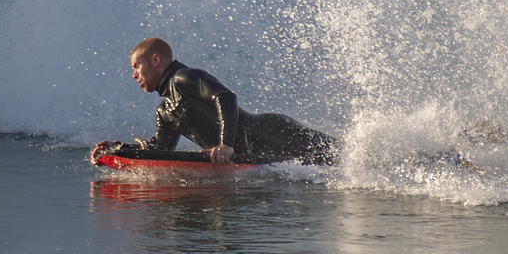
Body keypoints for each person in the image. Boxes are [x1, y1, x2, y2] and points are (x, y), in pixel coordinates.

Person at [92, 37, 337, 165]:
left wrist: (226, 145)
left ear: (156, 60)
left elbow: (225, 97)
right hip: (257, 155)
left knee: (343, 158)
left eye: (137, 66)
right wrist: (117, 149)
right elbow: (160, 152)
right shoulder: (165, 111)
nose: (134, 75)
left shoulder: (185, 77)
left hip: (273, 132)